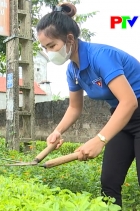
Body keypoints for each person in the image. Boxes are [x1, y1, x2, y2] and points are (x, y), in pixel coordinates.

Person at [36, 3, 140, 207]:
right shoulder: (73, 70)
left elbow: (129, 101)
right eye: (44, 48)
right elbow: (75, 107)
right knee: (109, 183)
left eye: (51, 46)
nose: (49, 53)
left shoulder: (101, 56)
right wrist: (58, 131)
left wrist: (100, 139)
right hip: (123, 119)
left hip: (132, 108)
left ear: (70, 39)